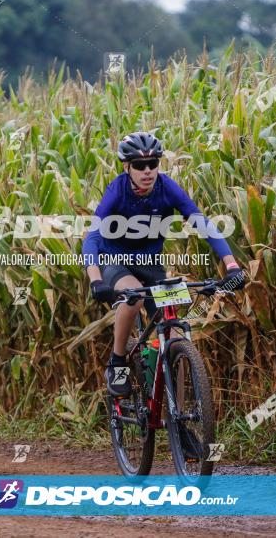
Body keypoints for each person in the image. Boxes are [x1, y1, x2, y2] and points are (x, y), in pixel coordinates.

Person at [82, 132, 244, 397]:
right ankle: (118, 361)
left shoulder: (167, 188)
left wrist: (232, 266)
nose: (147, 171)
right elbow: (92, 237)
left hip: (150, 263)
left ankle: (175, 413)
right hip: (114, 260)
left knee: (173, 329)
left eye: (153, 163)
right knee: (132, 297)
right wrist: (95, 279)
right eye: (138, 165)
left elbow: (202, 223)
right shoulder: (117, 191)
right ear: (127, 167)